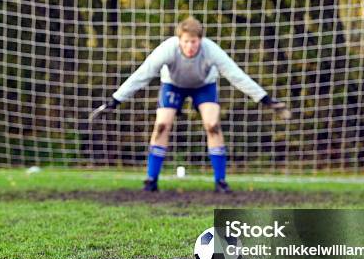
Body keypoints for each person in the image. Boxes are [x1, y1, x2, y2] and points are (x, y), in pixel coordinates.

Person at [103, 16, 291, 193]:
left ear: (200, 40)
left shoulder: (211, 50)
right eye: (185, 41)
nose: (190, 46)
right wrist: (117, 98)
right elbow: (142, 74)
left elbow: (236, 75)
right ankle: (151, 180)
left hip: (204, 86)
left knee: (213, 126)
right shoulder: (167, 49)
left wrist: (264, 98)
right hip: (173, 85)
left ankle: (220, 181)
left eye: (193, 41)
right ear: (179, 40)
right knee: (162, 125)